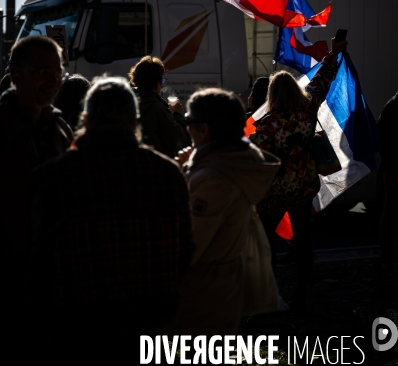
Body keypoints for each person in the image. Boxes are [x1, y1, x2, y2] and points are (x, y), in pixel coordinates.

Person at [30, 76, 193, 361]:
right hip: (146, 316)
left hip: (77, 320)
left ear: (86, 119)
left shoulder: (52, 176)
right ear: (134, 121)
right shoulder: (166, 173)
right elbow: (185, 248)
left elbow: (38, 255)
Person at [165, 87, 280, 339]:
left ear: (203, 129)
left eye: (188, 121)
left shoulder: (213, 180)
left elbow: (188, 245)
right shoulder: (229, 165)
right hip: (220, 290)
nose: (186, 129)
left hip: (200, 296)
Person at [250, 36, 348, 308]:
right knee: (304, 242)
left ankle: (271, 294)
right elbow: (322, 80)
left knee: (265, 241)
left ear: (272, 96)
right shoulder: (307, 110)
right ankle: (301, 295)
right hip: (304, 188)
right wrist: (334, 52)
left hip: (274, 192)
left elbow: (251, 154)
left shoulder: (269, 125)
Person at [0, 35, 73, 357]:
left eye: (58, 73)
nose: (53, 80)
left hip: (52, 279)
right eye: (43, 71)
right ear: (16, 75)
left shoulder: (59, 128)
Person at [129, 55, 190, 157]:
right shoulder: (157, 108)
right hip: (156, 167)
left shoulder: (128, 103)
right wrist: (177, 115)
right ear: (157, 82)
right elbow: (181, 144)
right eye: (162, 80)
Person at [377, 90, 398, 273]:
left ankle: (386, 257)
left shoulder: (390, 105)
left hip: (391, 166)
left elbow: (380, 135)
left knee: (390, 210)